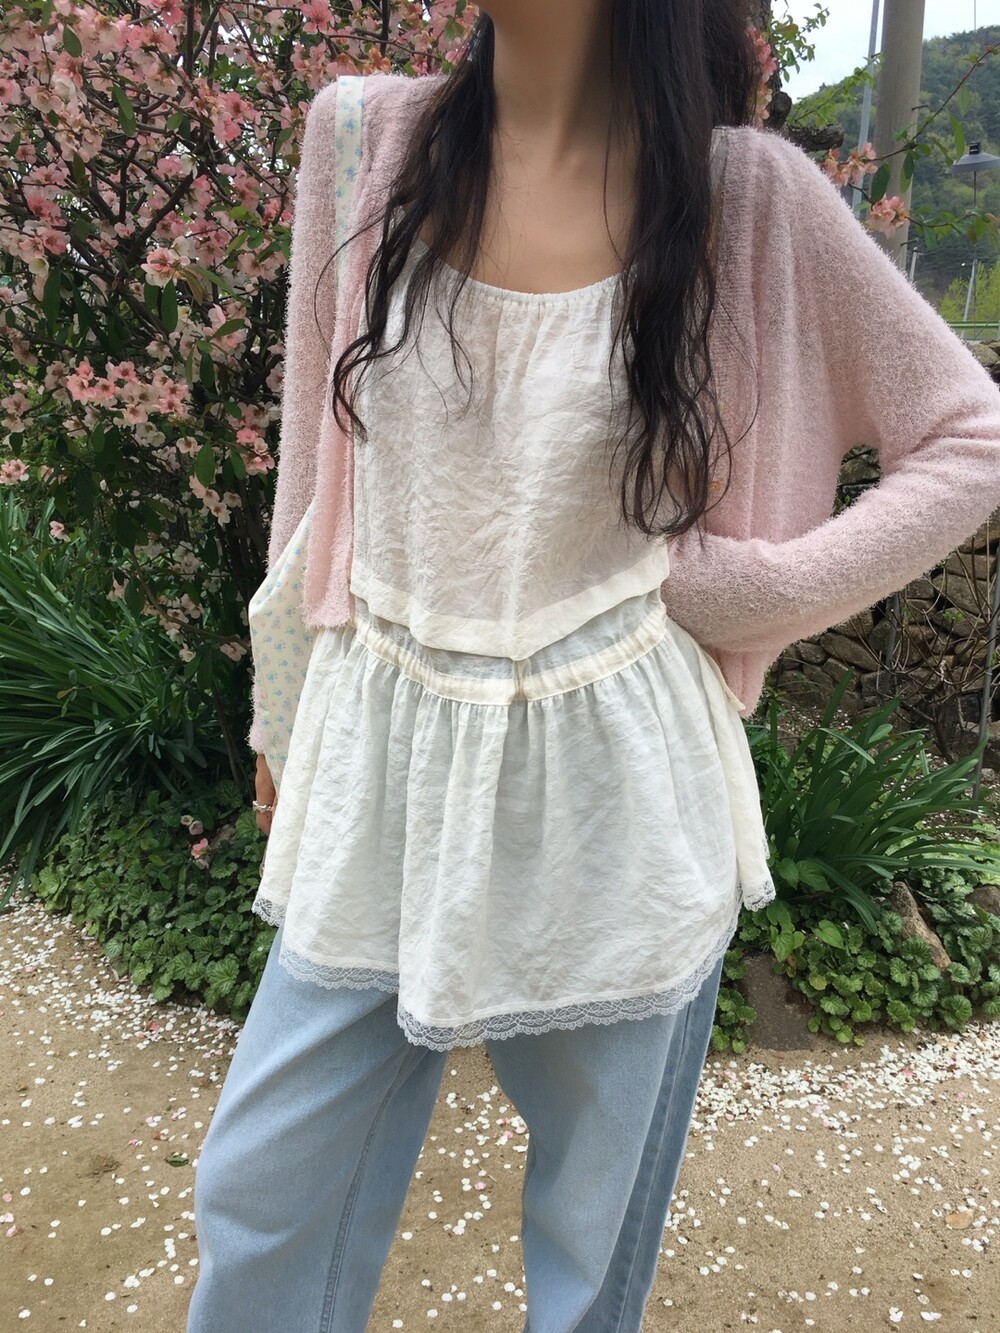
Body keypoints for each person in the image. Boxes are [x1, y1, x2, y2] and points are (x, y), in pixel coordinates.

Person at [187, 3, 1000, 1331]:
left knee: (586, 1251)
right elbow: (313, 483)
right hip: (384, 763)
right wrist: (280, 713)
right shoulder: (362, 141)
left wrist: (756, 592)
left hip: (622, 794)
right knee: (263, 1188)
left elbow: (969, 436)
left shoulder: (745, 196)